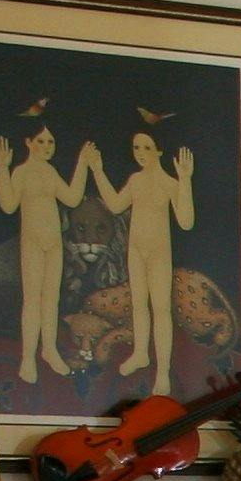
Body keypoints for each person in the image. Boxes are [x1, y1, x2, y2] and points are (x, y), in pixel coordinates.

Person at [91, 130, 196, 395]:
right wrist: (98, 171)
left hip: (159, 254)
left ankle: (162, 372)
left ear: (158, 151)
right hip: (136, 252)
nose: (140, 153)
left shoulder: (169, 183)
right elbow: (115, 205)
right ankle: (140, 353)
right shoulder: (135, 180)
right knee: (138, 304)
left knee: (160, 309)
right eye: (136, 147)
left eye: (146, 147)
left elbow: (186, 221)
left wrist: (185, 181)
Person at [0, 126, 93, 386]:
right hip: (33, 243)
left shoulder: (50, 172)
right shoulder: (22, 172)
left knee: (51, 300)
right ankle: (28, 358)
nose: (47, 146)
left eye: (51, 142)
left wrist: (82, 163)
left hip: (53, 244)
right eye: (42, 141)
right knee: (33, 300)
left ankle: (49, 350)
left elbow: (71, 198)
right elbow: (8, 204)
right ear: (29, 142)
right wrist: (2, 167)